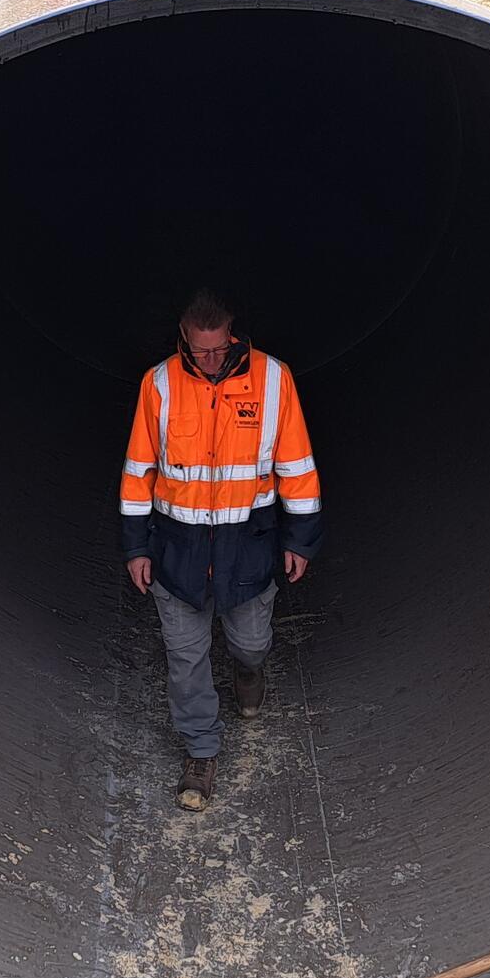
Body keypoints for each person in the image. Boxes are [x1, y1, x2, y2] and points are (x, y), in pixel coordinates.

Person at [118, 289, 324, 811]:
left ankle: (249, 671)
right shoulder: (159, 384)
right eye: (200, 351)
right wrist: (136, 547)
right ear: (184, 338)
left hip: (248, 549)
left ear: (231, 334)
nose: (209, 361)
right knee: (186, 660)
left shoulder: (274, 380)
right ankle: (200, 754)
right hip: (177, 551)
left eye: (218, 350)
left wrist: (300, 539)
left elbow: (296, 465)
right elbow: (138, 472)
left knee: (250, 643)